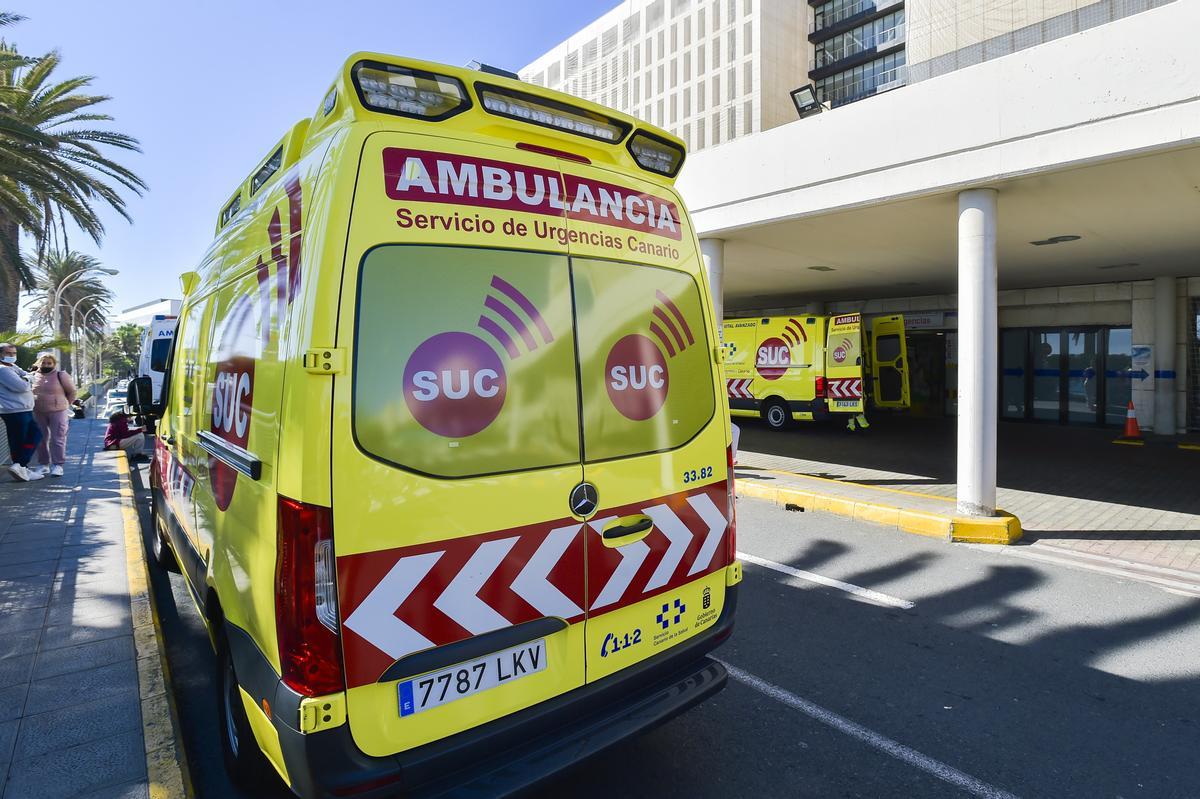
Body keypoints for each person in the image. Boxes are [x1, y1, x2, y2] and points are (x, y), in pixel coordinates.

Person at [0, 342, 44, 481]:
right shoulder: (3, 370)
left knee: (32, 435)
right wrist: (27, 379)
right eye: (8, 353)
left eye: (14, 353)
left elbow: (29, 376)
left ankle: (21, 467)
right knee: (21, 439)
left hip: (23, 409)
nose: (12, 356)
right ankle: (20, 466)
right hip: (14, 411)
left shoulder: (12, 366)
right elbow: (21, 386)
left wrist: (27, 378)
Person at [30, 353, 77, 478]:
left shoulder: (61, 375)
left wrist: (66, 404)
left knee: (58, 438)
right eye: (43, 363)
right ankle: (43, 465)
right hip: (38, 411)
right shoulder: (33, 376)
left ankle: (58, 465)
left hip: (58, 411)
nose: (46, 365)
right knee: (40, 438)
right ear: (38, 363)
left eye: (49, 363)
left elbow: (72, 392)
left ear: (54, 364)